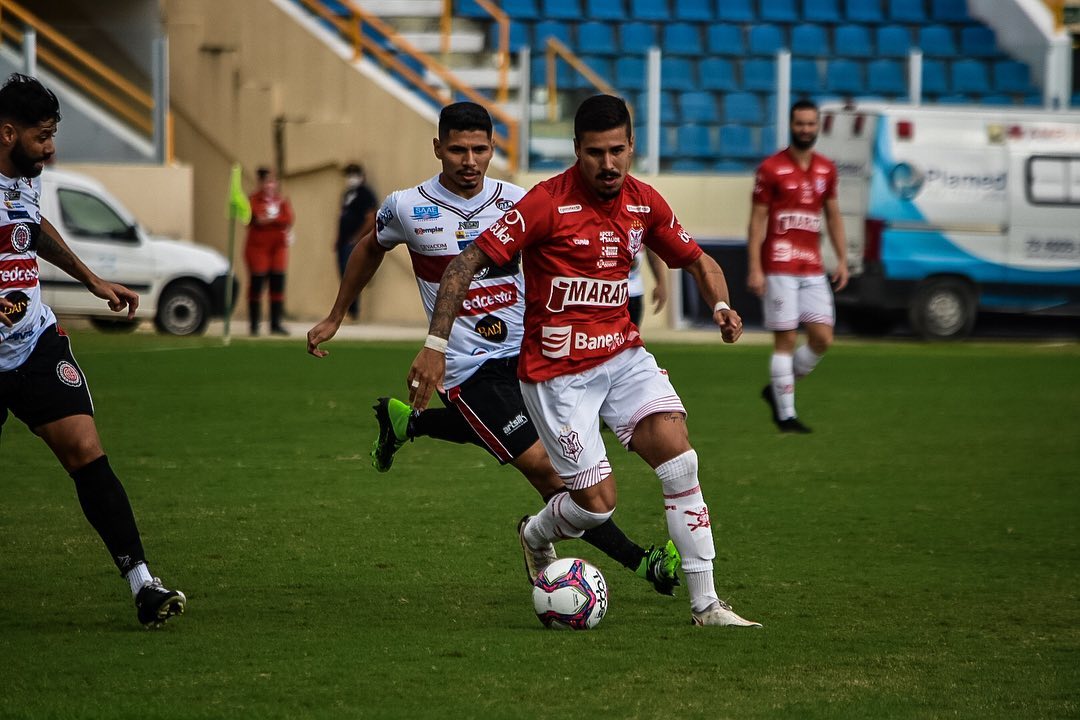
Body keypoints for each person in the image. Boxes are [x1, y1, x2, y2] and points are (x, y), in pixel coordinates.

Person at [407, 94, 762, 628]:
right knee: (597, 506)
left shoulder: (645, 202)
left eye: (618, 151)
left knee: (680, 459)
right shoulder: (545, 204)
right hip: (556, 379)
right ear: (577, 151)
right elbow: (463, 266)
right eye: (595, 153)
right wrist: (435, 347)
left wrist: (720, 303)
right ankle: (536, 533)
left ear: (631, 146)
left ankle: (707, 605)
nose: (608, 164)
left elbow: (698, 259)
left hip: (621, 356)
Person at [307, 102, 681, 595]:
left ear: (491, 151)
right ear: (437, 148)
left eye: (480, 149)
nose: (469, 160)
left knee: (559, 453)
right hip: (467, 368)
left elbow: (613, 226)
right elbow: (369, 247)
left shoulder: (518, 201)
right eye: (457, 149)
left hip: (532, 357)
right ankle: (642, 563)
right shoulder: (407, 207)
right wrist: (338, 313)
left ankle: (407, 423)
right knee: (549, 471)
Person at [0, 73, 185, 628]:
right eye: (42, 137)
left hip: (32, 342)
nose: (50, 149)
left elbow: (30, 228)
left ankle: (142, 584)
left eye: (53, 135)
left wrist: (92, 280)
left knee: (87, 452)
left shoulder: (24, 179)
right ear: (8, 133)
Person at [747, 99, 848, 434]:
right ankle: (786, 415)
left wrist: (843, 259)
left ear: (817, 126)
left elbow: (833, 215)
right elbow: (757, 220)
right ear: (790, 126)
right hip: (779, 264)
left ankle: (777, 387)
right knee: (785, 340)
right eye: (800, 124)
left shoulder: (826, 169)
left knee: (823, 338)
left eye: (810, 124)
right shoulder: (771, 168)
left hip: (812, 266)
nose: (806, 129)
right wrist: (755, 267)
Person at [245, 166, 294, 336]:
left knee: (277, 284)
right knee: (257, 284)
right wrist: (273, 221)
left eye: (273, 182)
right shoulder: (253, 200)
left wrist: (271, 220)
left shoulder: (281, 201)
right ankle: (254, 324)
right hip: (258, 248)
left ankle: (275, 323)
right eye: (267, 182)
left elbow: (288, 218)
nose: (270, 186)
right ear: (260, 183)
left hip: (278, 248)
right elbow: (256, 218)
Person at [335, 162, 377, 320]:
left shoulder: (365, 194)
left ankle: (353, 312)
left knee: (352, 276)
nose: (350, 178)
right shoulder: (347, 194)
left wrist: (357, 238)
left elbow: (370, 218)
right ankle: (347, 311)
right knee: (343, 275)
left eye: (353, 175)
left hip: (354, 243)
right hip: (343, 242)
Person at [627, 246, 667, 327]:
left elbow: (652, 252)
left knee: (631, 336)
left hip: (634, 292)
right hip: (609, 292)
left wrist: (661, 283)